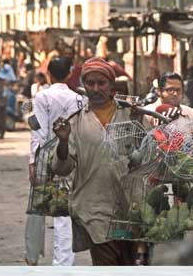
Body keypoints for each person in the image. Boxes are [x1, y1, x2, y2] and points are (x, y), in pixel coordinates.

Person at [50, 58, 147, 265]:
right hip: (95, 209)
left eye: (101, 83)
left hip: (131, 208)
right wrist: (63, 142)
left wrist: (142, 129)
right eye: (90, 83)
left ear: (111, 85)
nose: (95, 88)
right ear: (84, 85)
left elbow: (148, 155)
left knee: (131, 264)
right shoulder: (75, 121)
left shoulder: (132, 115)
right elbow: (61, 168)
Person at [26, 57, 84, 266]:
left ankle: (32, 255)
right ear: (69, 73)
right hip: (69, 155)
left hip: (45, 155)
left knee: (37, 207)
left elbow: (37, 131)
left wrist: (33, 160)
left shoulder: (41, 97)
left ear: (49, 74)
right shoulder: (79, 99)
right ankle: (63, 263)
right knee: (64, 210)